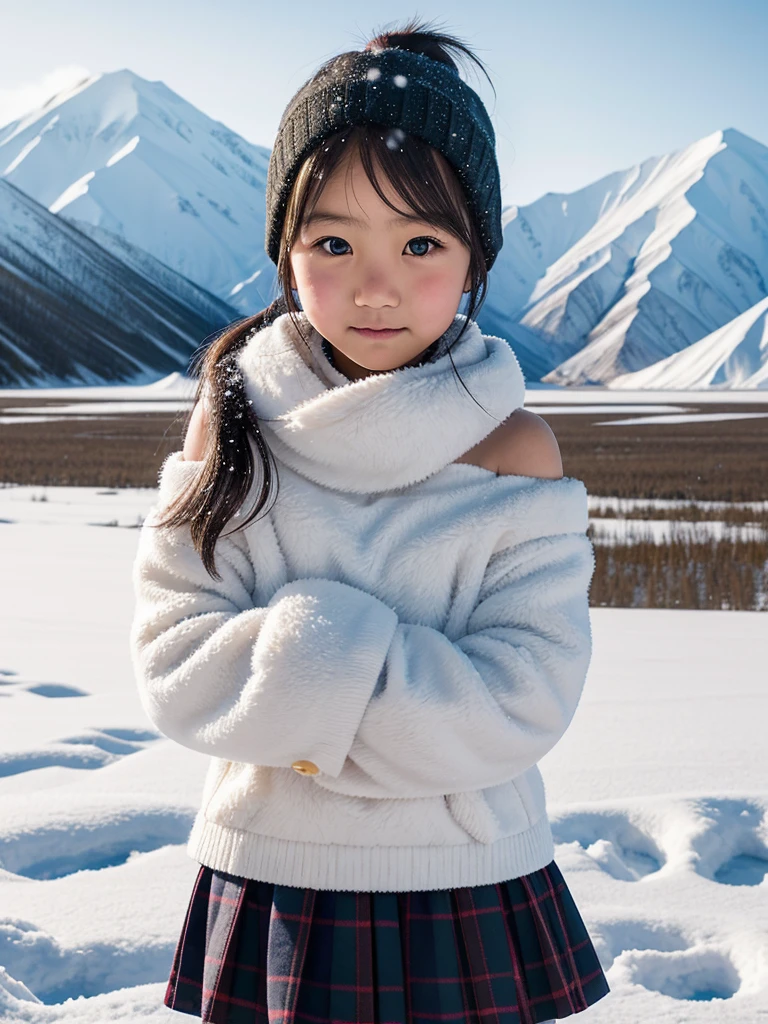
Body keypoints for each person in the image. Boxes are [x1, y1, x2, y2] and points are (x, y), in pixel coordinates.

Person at [129, 17, 611, 1024]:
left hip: (464, 881)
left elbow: (524, 701)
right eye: (334, 241)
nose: (376, 284)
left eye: (421, 242)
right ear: (285, 251)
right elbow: (176, 662)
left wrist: (299, 676)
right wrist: (390, 693)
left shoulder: (512, 447)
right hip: (276, 880)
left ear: (477, 254)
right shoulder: (234, 422)